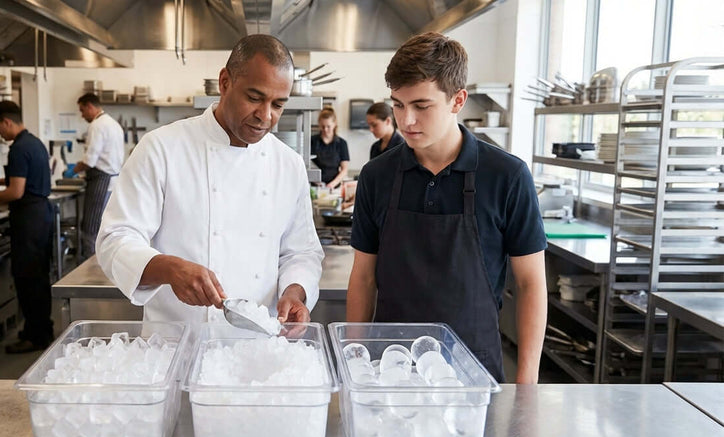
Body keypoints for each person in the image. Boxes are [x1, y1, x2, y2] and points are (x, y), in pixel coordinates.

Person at [346, 32, 547, 383]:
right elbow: (363, 277)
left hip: (475, 373)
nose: (406, 120)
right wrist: (354, 369)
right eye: (397, 104)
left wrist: (526, 387)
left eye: (422, 106)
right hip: (389, 372)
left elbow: (531, 284)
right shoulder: (377, 176)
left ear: (458, 101)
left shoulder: (508, 176)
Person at [96, 34, 324, 326]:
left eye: (278, 104)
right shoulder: (162, 148)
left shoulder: (288, 164)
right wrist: (168, 268)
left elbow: (302, 251)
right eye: (254, 98)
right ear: (225, 82)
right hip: (173, 345)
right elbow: (114, 240)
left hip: (257, 349)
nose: (265, 116)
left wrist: (295, 292)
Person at [0, 101, 55, 354]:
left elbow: (16, 191)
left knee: (28, 280)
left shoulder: (18, 149)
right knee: (39, 278)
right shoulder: (34, 142)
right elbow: (24, 178)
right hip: (41, 216)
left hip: (28, 220)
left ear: (7, 121)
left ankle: (35, 337)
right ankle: (42, 331)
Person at [74, 93, 125, 257]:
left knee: (91, 226)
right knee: (105, 227)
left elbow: (90, 160)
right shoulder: (113, 123)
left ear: (90, 106)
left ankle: (90, 266)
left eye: (82, 111)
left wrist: (73, 170)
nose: (82, 115)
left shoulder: (97, 125)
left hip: (101, 181)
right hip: (112, 182)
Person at [310, 108, 350, 189]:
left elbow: (344, 169)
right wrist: (316, 182)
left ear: (334, 124)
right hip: (315, 186)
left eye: (328, 126)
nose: (325, 129)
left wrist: (332, 184)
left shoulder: (342, 143)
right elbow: (306, 165)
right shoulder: (312, 141)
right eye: (322, 126)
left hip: (334, 187)